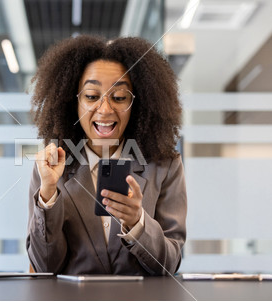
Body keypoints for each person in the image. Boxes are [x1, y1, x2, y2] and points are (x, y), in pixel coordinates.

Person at [26, 35, 187, 276]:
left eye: (119, 97)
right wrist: (48, 195)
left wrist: (137, 222)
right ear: (74, 101)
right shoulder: (51, 168)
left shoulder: (165, 167)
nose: (104, 109)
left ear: (138, 103)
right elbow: (45, 266)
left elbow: (170, 264)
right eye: (92, 96)